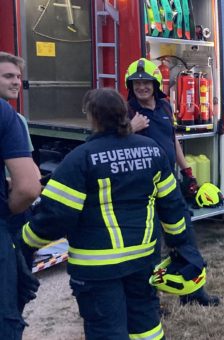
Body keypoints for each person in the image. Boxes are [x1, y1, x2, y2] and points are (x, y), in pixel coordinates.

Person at [20, 88, 198, 339]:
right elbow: (172, 206)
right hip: (143, 259)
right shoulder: (152, 150)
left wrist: (25, 241)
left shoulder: (80, 159)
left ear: (92, 116)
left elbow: (56, 216)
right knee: (147, 327)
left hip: (97, 267)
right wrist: (180, 244)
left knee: (107, 331)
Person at [124, 58, 219, 306]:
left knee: (185, 237)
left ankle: (193, 292)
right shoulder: (127, 112)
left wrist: (188, 172)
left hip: (170, 184)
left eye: (146, 82)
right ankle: (149, 303)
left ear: (156, 84)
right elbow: (108, 142)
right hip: (143, 189)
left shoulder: (165, 107)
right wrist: (129, 129)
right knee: (150, 245)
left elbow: (173, 140)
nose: (142, 87)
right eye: (136, 83)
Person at [0, 66, 41, 339]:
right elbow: (29, 185)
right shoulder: (7, 116)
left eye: (18, 77)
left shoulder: (17, 118)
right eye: (7, 76)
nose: (17, 82)